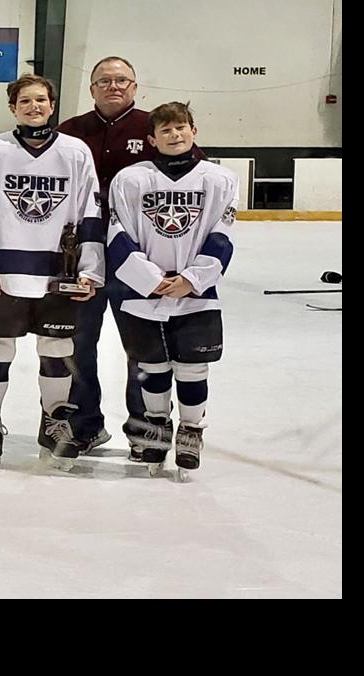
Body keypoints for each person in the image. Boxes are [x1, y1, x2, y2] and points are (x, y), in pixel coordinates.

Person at [0, 73, 103, 470]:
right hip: (5, 271)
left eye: (40, 100)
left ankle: (54, 422)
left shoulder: (75, 151)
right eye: (25, 101)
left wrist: (90, 269)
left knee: (57, 348)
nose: (34, 107)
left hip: (58, 272)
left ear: (52, 105)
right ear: (13, 108)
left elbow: (89, 213)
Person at [105, 102, 237, 475]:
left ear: (194, 131)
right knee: (152, 366)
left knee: (193, 367)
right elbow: (117, 233)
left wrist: (193, 279)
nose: (175, 135)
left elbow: (223, 234)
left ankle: (192, 429)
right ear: (152, 139)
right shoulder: (130, 179)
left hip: (197, 295)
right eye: (165, 130)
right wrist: (150, 280)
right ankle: (157, 428)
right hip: (144, 294)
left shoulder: (219, 179)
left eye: (181, 127)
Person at [56, 55, 152, 457]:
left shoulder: (155, 127)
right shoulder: (69, 132)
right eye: (105, 81)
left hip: (139, 258)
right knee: (76, 344)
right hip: (80, 257)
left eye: (122, 80)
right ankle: (84, 426)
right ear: (92, 88)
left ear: (135, 86)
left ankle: (146, 430)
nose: (114, 86)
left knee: (143, 347)